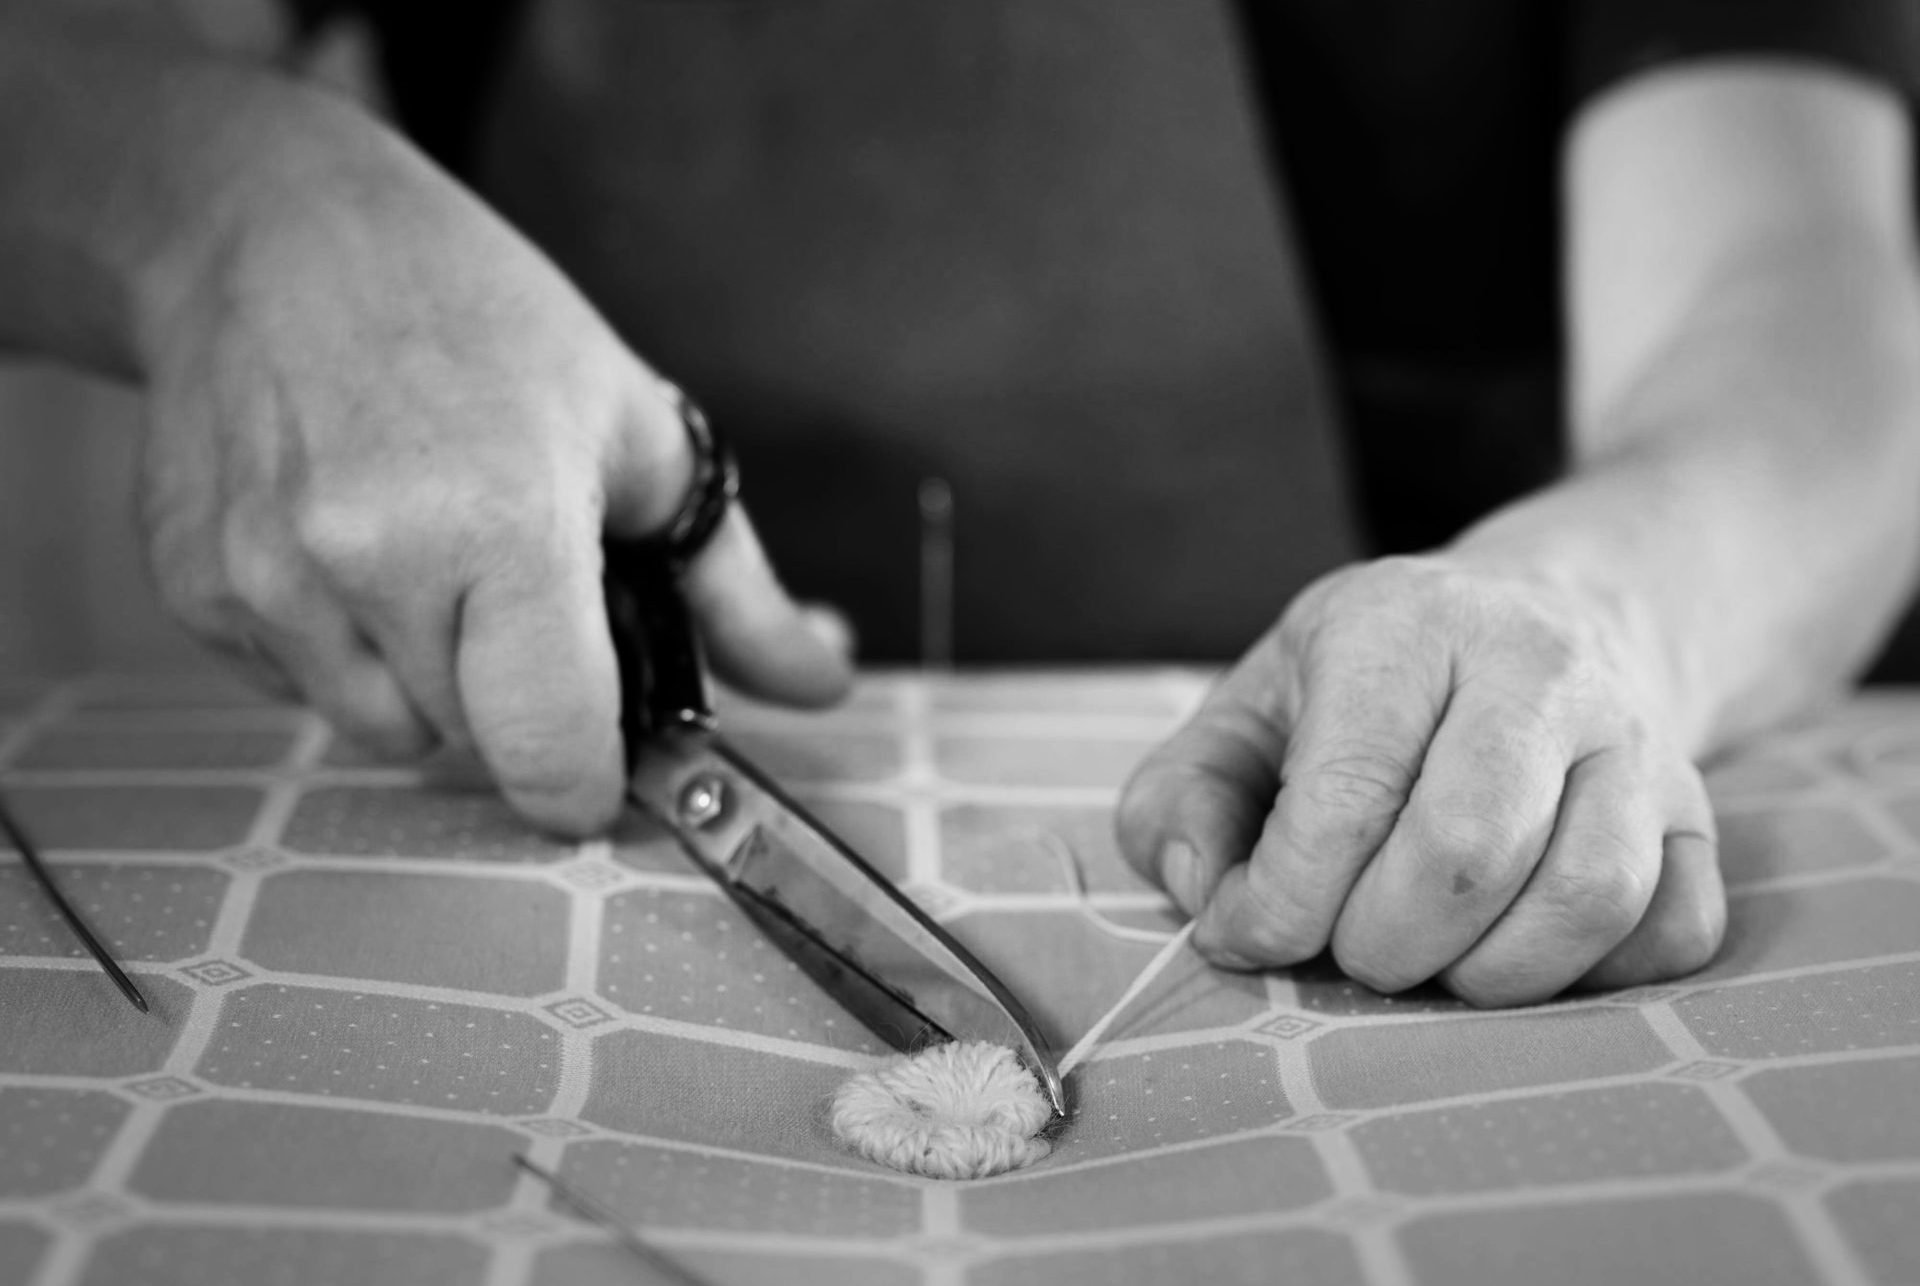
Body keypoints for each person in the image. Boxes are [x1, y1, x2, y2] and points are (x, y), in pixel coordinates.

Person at [5, 0, 1919, 1008]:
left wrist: (1596, 616)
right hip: (575, 792)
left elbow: (1805, 331)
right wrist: (218, 201)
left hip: (1376, 843)